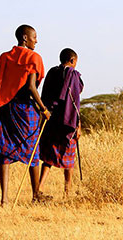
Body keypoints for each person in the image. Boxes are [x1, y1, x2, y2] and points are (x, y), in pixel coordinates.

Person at [0, 24, 50, 206]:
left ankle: (4, 199)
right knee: (32, 150)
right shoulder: (34, 57)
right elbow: (31, 86)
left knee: (4, 152)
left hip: (6, 108)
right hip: (25, 108)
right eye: (34, 37)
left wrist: (1, 100)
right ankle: (36, 194)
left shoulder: (5, 57)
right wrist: (43, 109)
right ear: (24, 38)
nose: (36, 40)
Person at [38, 48, 83, 198]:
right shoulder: (73, 75)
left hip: (51, 119)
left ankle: (39, 188)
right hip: (67, 121)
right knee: (69, 158)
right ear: (72, 61)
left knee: (48, 157)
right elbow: (74, 101)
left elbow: (45, 93)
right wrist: (78, 124)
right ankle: (67, 192)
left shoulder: (52, 72)